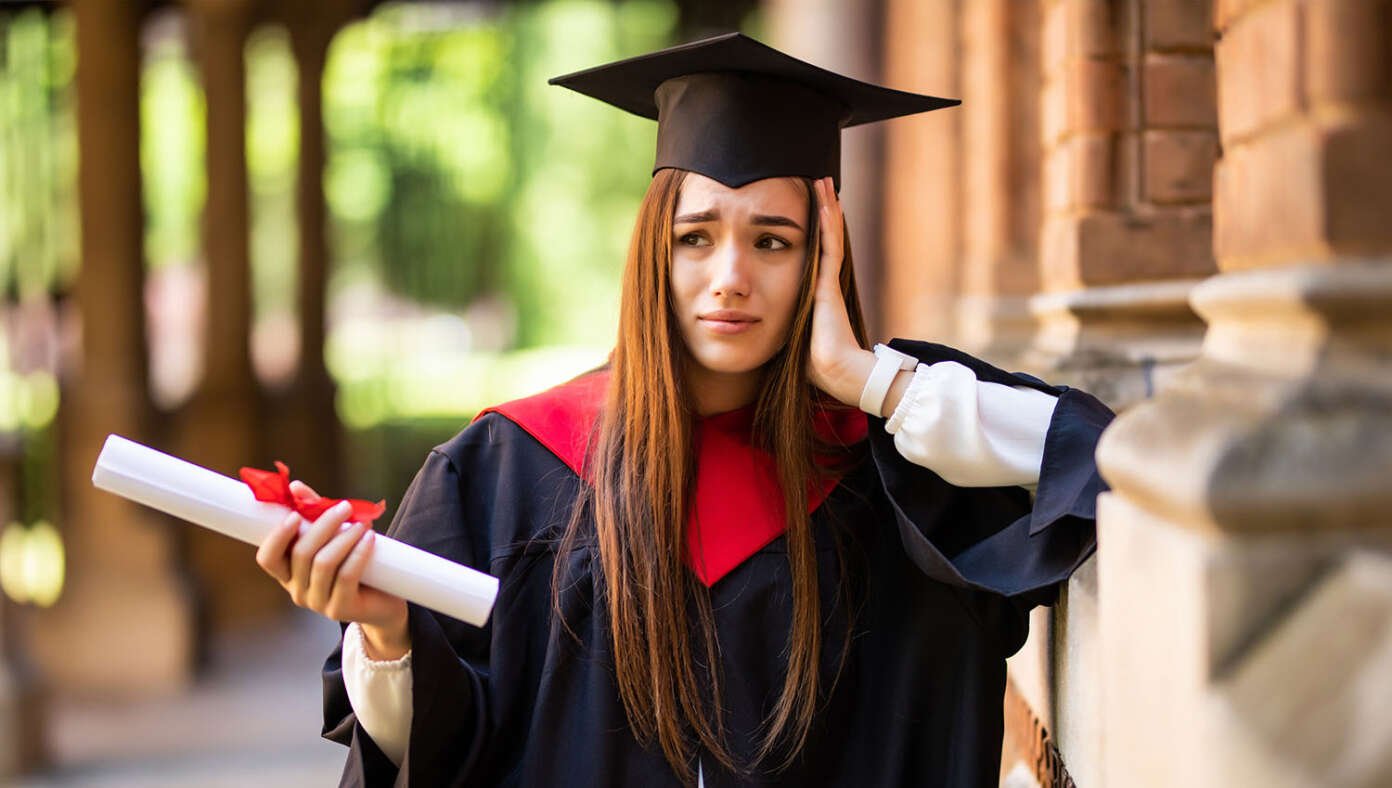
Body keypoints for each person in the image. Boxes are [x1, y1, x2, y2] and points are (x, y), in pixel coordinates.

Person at [255, 32, 1112, 787]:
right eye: (695, 236)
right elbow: (429, 754)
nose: (730, 276)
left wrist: (866, 378)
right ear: (651, 254)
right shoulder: (508, 470)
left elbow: (1091, 459)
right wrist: (387, 636)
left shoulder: (893, 470)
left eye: (774, 240)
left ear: (825, 259)